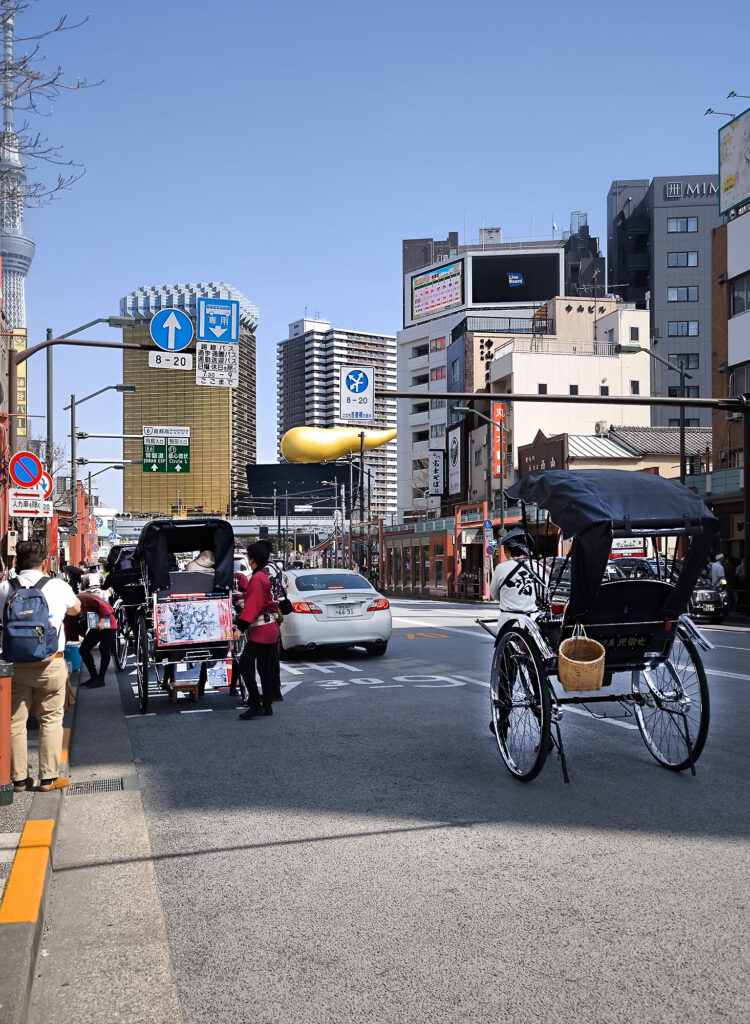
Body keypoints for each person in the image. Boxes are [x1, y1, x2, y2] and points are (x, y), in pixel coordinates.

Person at [0, 540, 80, 792]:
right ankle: (48, 778)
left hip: (14, 664)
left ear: (14, 563)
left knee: (15, 722)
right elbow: (75, 610)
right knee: (51, 720)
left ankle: (19, 779)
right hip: (50, 663)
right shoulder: (57, 586)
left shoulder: (4, 587)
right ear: (45, 562)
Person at [235, 542, 281, 719]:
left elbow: (252, 606)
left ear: (251, 559)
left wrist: (240, 628)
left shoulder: (256, 578)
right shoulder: (265, 575)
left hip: (261, 629)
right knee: (263, 667)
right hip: (271, 627)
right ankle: (267, 704)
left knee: (244, 665)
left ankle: (255, 703)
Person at [489, 529, 542, 622]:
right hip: (533, 621)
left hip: (508, 621)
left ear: (507, 550)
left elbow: (494, 595)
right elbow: (544, 594)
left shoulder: (501, 568)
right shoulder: (539, 568)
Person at [77, 583, 117, 687]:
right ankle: (94, 677)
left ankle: (101, 679)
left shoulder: (82, 597)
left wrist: (102, 621)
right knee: (83, 649)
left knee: (104, 649)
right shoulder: (72, 604)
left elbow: (104, 605)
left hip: (108, 624)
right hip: (95, 625)